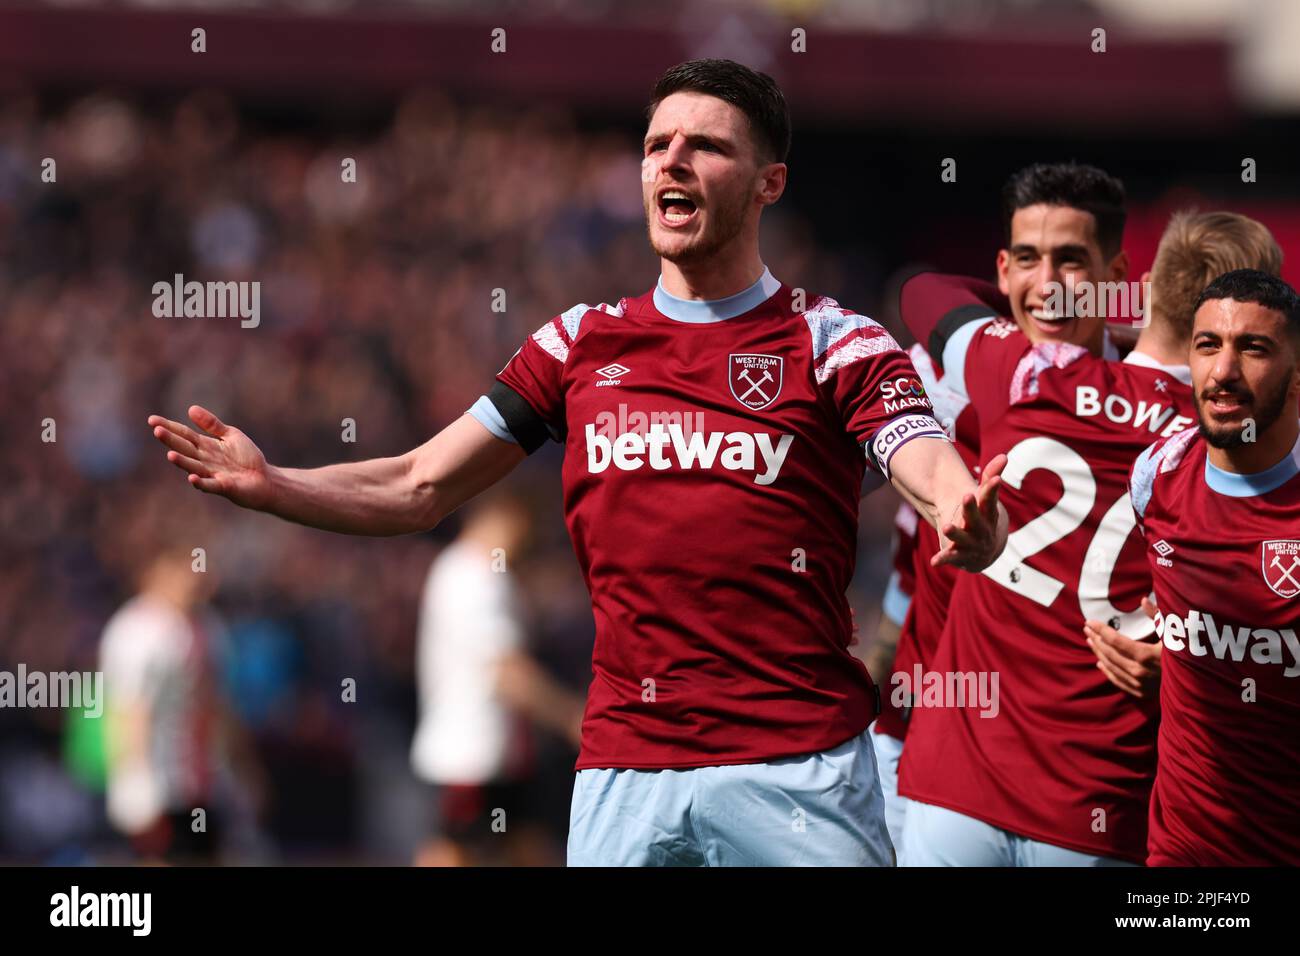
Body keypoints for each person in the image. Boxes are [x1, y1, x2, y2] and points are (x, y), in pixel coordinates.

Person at [147, 58, 1006, 867]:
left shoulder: (833, 342)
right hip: (622, 773)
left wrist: (962, 509)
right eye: (656, 145)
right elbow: (419, 485)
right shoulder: (578, 343)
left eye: (706, 146)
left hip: (795, 767)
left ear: (768, 183)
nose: (673, 161)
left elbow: (922, 459)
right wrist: (275, 486)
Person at [899, 181, 1280, 864]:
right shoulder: (1219, 454)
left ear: (1144, 288)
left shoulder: (1023, 373)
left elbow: (925, 292)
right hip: (1095, 804)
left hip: (953, 788)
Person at [1127, 269, 1300, 865]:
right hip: (1183, 855)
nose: (1223, 372)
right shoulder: (1157, 475)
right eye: (1208, 346)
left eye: (1253, 348)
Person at [411, 493, 584, 866]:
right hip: (473, 750)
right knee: (455, 848)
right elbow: (507, 670)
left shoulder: (468, 570)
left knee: (522, 842)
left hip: (496, 749)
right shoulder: (476, 577)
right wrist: (571, 716)